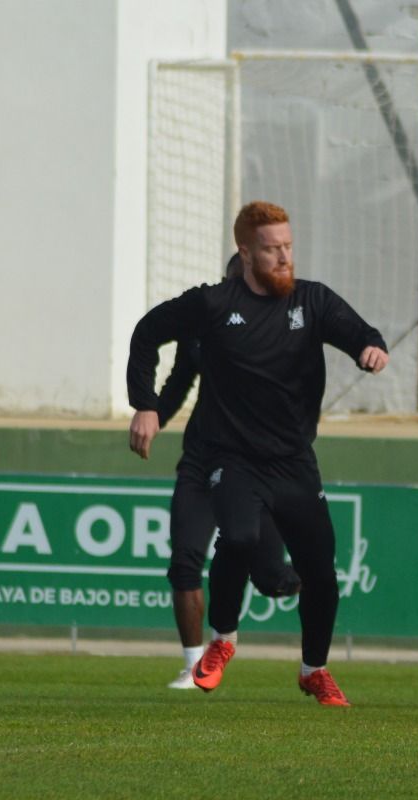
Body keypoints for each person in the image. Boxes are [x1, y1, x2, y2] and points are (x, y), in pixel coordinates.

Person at [127, 200, 389, 707]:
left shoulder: (312, 302)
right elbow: (146, 333)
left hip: (294, 462)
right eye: (272, 250)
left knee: (319, 574)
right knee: (241, 537)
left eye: (289, 247)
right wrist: (146, 406)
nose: (284, 257)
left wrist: (369, 349)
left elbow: (359, 332)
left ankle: (314, 671)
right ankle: (222, 640)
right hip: (234, 459)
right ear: (245, 252)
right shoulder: (212, 305)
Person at [137, 254, 302, 690]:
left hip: (254, 468)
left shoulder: (280, 334)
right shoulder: (203, 324)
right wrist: (151, 412)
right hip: (201, 459)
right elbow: (178, 381)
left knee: (272, 579)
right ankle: (194, 667)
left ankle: (311, 576)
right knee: (184, 560)